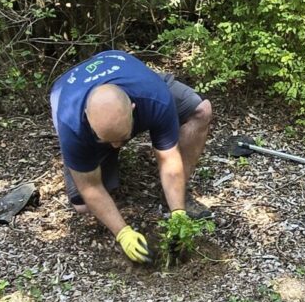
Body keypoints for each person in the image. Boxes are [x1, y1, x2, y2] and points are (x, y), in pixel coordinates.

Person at [49, 49, 215, 263]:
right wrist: (123, 233)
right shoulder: (71, 124)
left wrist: (178, 215)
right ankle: (98, 154)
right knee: (83, 205)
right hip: (68, 90)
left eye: (123, 137)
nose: (118, 145)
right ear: (88, 119)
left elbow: (168, 159)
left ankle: (178, 194)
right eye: (108, 140)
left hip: (134, 78)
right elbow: (90, 188)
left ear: (133, 109)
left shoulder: (154, 98)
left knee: (201, 110)